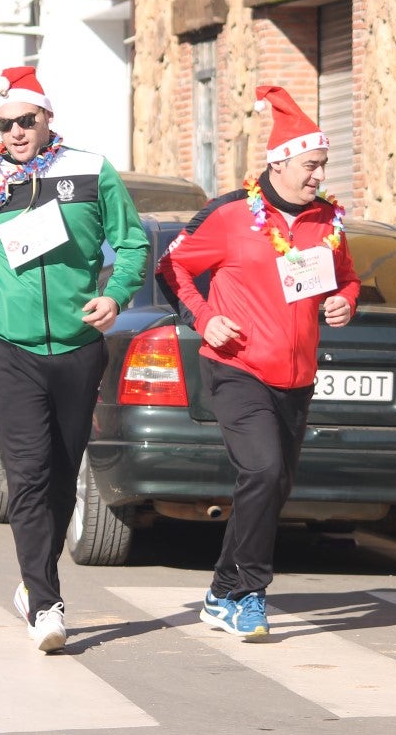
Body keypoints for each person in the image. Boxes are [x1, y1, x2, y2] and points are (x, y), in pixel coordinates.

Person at [156, 85, 360, 639]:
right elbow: (171, 266)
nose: (319, 175)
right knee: (263, 470)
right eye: (312, 165)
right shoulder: (229, 215)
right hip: (236, 366)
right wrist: (204, 319)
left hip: (296, 376)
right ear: (281, 159)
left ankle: (221, 591)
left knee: (274, 485)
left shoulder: (327, 221)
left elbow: (345, 278)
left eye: (323, 165)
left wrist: (345, 301)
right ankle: (250, 593)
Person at [0, 66, 148, 652]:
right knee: (29, 472)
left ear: (47, 118)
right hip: (7, 348)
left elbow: (135, 240)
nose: (14, 132)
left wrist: (115, 295)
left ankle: (31, 582)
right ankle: (46, 601)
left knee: (63, 473)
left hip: (76, 347)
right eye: (3, 123)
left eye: (25, 120)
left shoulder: (91, 171)